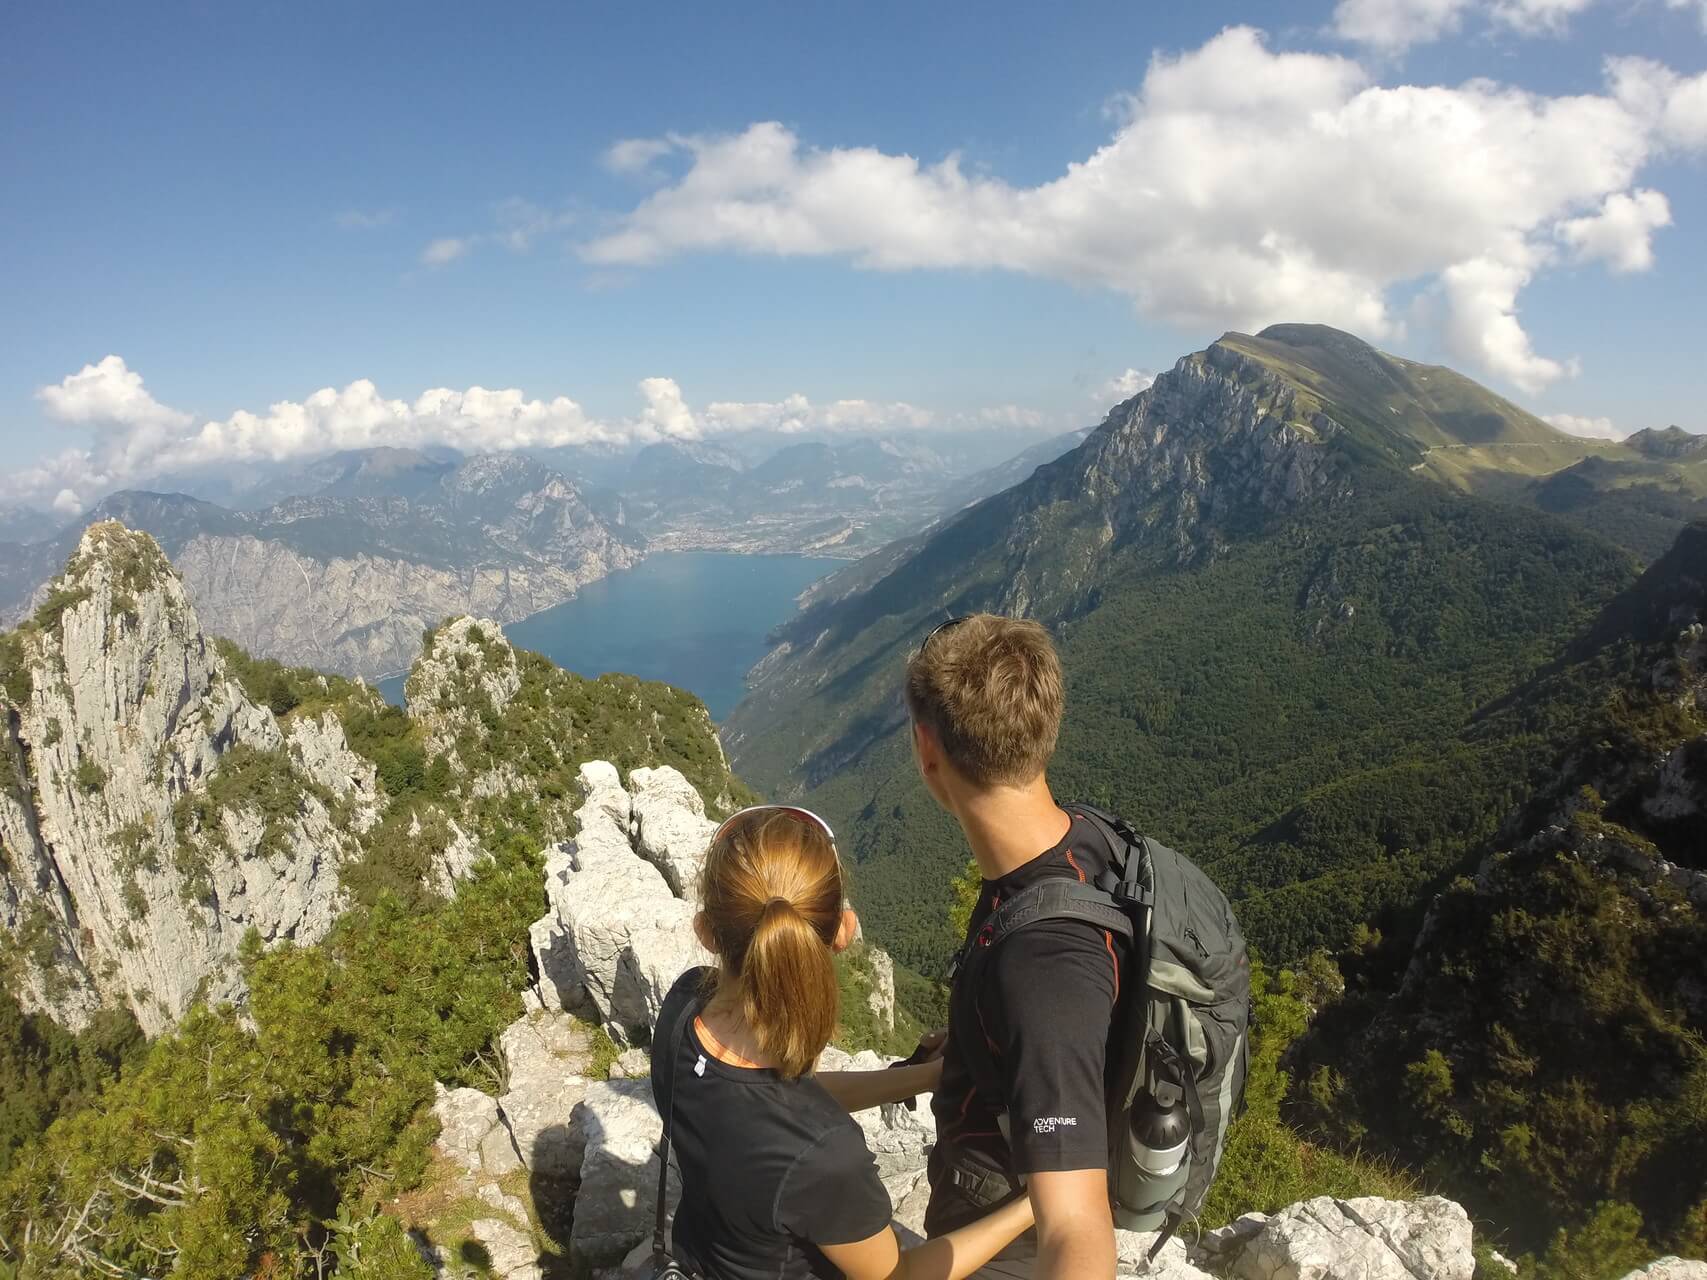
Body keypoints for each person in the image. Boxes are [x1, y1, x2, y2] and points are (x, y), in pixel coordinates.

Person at [651, 804, 1037, 1280]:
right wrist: (1034, 1204)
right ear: (843, 932)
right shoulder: (825, 1157)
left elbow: (783, 1102)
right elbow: (898, 1276)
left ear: (707, 932)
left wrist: (926, 1077)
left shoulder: (684, 1005)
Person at [907, 614, 1123, 1280]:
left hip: (1002, 1249)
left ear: (926, 750)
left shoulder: (1045, 967)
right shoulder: (1084, 836)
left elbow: (1076, 1222)